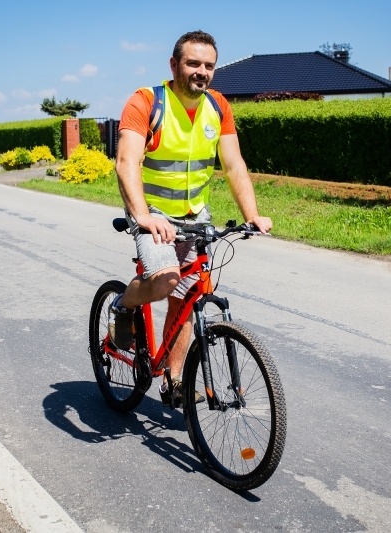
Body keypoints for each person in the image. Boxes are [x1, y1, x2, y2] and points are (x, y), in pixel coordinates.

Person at [113, 30, 272, 407]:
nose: (201, 71)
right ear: (174, 65)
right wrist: (142, 217)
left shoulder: (218, 107)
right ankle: (123, 304)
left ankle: (174, 378)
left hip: (194, 213)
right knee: (167, 280)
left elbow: (234, 165)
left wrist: (252, 215)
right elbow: (126, 162)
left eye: (208, 65)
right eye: (193, 63)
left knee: (191, 294)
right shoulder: (147, 101)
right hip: (150, 209)